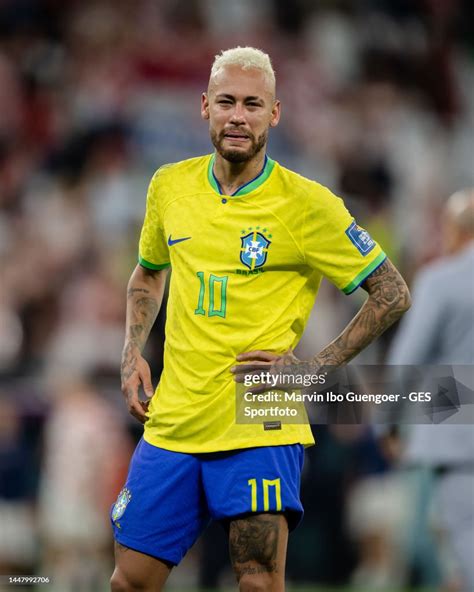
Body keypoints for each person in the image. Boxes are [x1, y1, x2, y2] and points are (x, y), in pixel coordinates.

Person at [110, 47, 411, 592]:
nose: (238, 116)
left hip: (260, 411)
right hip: (174, 413)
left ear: (275, 113)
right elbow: (148, 274)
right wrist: (132, 350)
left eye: (253, 104)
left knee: (256, 583)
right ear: (205, 107)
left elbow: (391, 293)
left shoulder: (308, 204)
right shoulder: (169, 187)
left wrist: (314, 371)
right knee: (129, 581)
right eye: (226, 102)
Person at [388, 189, 474, 591]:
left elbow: (408, 360)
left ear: (455, 231)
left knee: (456, 537)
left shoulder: (442, 280)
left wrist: (386, 424)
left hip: (458, 432)